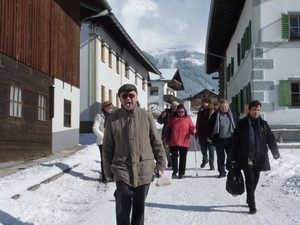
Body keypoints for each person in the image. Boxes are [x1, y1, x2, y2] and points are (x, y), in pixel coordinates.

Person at [102, 84, 166, 225]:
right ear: (120, 99)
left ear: (136, 97)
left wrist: (161, 163)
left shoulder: (146, 116)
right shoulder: (112, 120)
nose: (128, 99)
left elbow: (156, 142)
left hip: (144, 167)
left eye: (131, 95)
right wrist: (108, 170)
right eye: (124, 96)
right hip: (122, 168)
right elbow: (107, 148)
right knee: (123, 201)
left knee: (139, 206)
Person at [232, 100, 280, 214]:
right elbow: (235, 142)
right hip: (246, 156)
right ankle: (252, 205)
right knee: (250, 180)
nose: (256, 112)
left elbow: (270, 138)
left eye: (258, 110)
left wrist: (275, 152)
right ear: (249, 110)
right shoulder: (242, 124)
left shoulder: (263, 124)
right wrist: (233, 157)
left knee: (256, 179)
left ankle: (249, 197)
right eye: (254, 110)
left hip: (259, 156)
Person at [164, 104, 196, 179]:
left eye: (182, 112)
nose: (181, 113)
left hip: (184, 141)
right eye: (179, 112)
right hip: (174, 140)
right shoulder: (172, 118)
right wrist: (166, 137)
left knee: (183, 157)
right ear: (176, 112)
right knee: (174, 157)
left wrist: (193, 130)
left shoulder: (187, 118)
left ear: (185, 111)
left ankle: (182, 173)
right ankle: (175, 171)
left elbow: (192, 127)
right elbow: (167, 128)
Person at [207, 99, 236, 178]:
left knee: (230, 155)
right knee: (220, 156)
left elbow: (238, 125)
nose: (223, 109)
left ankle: (228, 166)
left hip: (230, 138)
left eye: (225, 107)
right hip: (219, 139)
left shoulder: (233, 114)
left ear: (228, 107)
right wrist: (209, 137)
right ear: (219, 107)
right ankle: (222, 172)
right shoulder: (215, 115)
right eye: (222, 107)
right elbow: (209, 127)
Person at [92, 100, 114, 182]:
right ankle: (104, 177)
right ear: (104, 108)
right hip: (103, 142)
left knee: (113, 158)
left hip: (112, 141)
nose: (110, 110)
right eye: (109, 108)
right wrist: (104, 137)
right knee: (104, 159)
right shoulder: (99, 116)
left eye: (111, 108)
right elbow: (95, 128)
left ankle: (112, 175)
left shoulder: (113, 115)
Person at [157, 101, 179, 168]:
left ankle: (173, 160)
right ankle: (170, 161)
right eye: (174, 106)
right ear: (171, 106)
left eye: (176, 106)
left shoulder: (179, 113)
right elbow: (160, 121)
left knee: (174, 149)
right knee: (166, 149)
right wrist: (162, 117)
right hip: (167, 133)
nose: (175, 108)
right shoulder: (166, 113)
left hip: (176, 134)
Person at [195, 97, 215, 170]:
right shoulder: (200, 112)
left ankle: (212, 165)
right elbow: (198, 123)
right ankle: (205, 160)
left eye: (205, 103)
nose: (204, 104)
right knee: (203, 149)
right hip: (202, 132)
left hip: (210, 132)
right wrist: (197, 133)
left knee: (211, 149)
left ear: (209, 103)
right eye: (203, 103)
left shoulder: (213, 111)